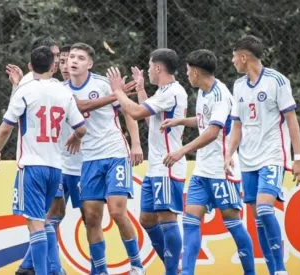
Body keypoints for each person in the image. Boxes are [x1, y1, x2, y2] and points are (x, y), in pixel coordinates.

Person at [0, 45, 86, 275]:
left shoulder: (26, 90)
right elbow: (81, 128)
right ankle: (43, 269)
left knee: (34, 225)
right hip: (56, 167)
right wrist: (74, 138)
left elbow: (6, 127)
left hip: (32, 166)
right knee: (43, 221)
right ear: (54, 66)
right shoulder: (63, 92)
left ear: (31, 66)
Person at [161, 49, 255, 275]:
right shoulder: (203, 93)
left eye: (187, 71)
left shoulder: (221, 95)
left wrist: (181, 151)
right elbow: (205, 120)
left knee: (232, 222)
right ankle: (188, 272)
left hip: (222, 170)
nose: (186, 75)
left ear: (195, 72)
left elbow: (213, 131)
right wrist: (182, 120)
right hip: (202, 171)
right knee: (190, 219)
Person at [225, 35, 300, 275]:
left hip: (272, 155)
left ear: (244, 56)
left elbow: (291, 120)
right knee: (257, 216)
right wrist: (229, 154)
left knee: (265, 208)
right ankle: (272, 270)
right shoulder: (238, 86)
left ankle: (280, 269)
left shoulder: (277, 81)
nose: (232, 61)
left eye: (234, 56)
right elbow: (236, 125)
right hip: (247, 159)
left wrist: (298, 157)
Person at [105, 48, 188, 275]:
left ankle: (173, 271)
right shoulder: (165, 92)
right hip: (156, 168)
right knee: (147, 219)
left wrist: (117, 91)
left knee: (167, 220)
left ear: (158, 68)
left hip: (167, 167)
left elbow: (137, 111)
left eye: (150, 67)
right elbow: (150, 115)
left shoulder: (172, 92)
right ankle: (175, 267)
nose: (148, 70)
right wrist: (141, 88)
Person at [66, 42, 144, 275]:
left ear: (89, 64)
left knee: (117, 211)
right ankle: (100, 270)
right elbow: (79, 107)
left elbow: (129, 111)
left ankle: (137, 265)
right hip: (88, 159)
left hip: (114, 153)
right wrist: (115, 94)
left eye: (80, 58)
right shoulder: (62, 89)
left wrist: (136, 143)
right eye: (71, 57)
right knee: (91, 217)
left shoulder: (101, 84)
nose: (74, 61)